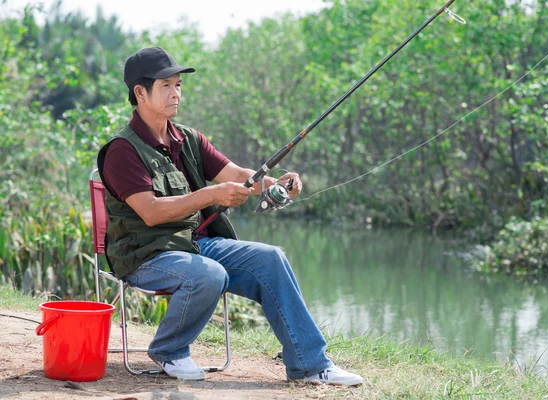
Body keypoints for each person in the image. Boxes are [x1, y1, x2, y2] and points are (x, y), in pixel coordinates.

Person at [97, 47, 363, 386]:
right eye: (165, 85)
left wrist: (273, 182)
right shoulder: (122, 150)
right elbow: (150, 212)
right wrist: (209, 194)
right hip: (145, 255)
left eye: (178, 85)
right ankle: (169, 350)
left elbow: (235, 174)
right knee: (209, 274)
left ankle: (310, 365)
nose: (176, 92)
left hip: (194, 247)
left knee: (272, 258)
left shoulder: (188, 138)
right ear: (139, 92)